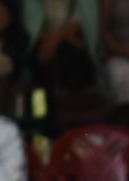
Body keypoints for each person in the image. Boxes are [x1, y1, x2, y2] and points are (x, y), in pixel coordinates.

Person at [31, 0, 103, 136]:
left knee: (71, 55)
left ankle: (76, 127)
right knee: (44, 60)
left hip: (72, 41)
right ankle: (52, 127)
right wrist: (47, 40)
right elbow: (29, 24)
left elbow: (85, 19)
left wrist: (56, 40)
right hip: (40, 43)